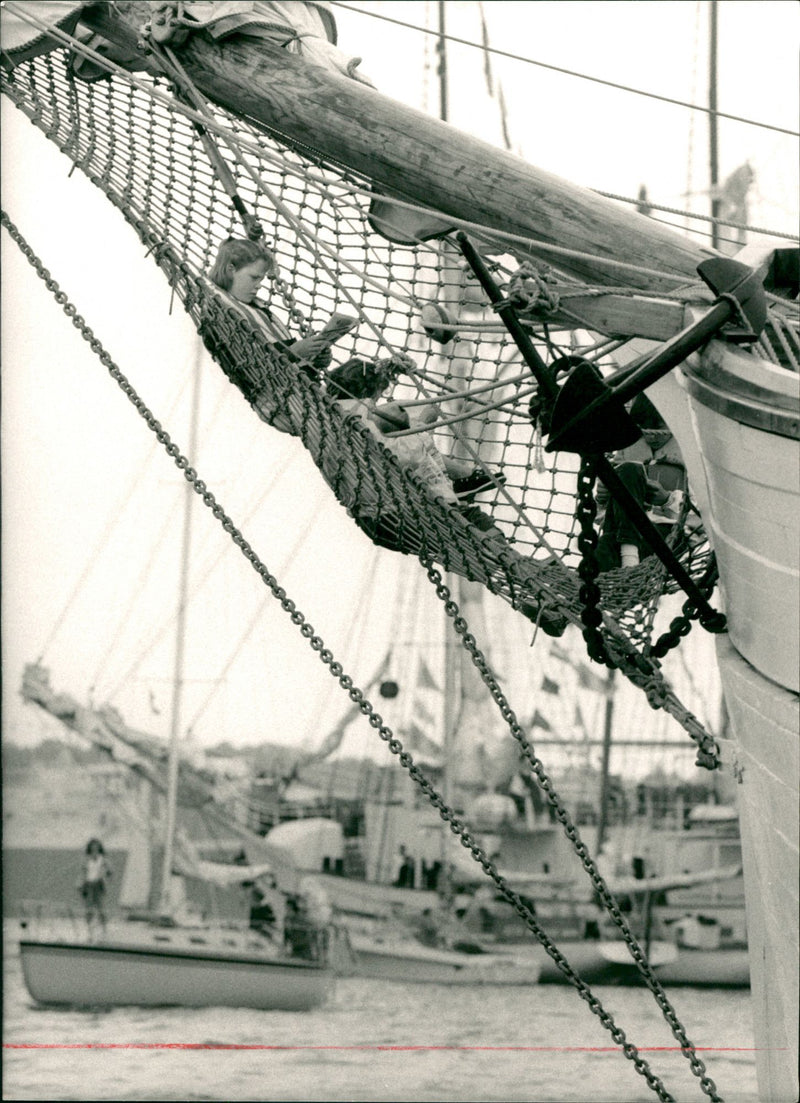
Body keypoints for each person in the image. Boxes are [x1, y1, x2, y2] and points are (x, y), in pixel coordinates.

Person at [79, 838, 111, 940]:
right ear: (90, 848)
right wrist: (81, 885)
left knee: (101, 908)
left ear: (99, 847)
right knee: (89, 910)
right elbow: (83, 873)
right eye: (93, 847)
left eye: (96, 847)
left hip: (98, 884)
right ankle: (90, 931)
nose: (94, 848)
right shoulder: (86, 859)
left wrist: (105, 875)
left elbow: (110, 872)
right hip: (88, 884)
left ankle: (104, 931)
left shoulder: (103, 859)